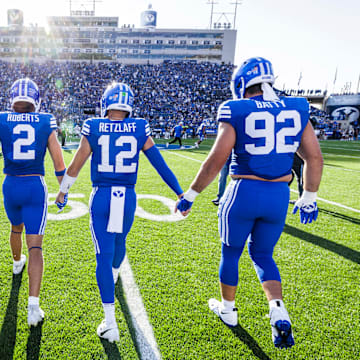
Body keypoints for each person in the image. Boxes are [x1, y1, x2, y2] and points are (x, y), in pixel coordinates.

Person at [176, 57, 323, 349]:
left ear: (242, 83)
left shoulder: (236, 108)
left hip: (243, 191)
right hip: (279, 195)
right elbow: (313, 157)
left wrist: (190, 194)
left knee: (231, 254)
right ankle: (278, 309)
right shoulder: (296, 107)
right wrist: (309, 197)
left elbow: (217, 159)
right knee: (264, 255)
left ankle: (228, 310)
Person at [55, 82, 183, 343]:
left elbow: (76, 164)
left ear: (107, 103)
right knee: (119, 242)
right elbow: (160, 164)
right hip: (127, 197)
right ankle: (113, 277)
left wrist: (63, 191)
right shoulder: (138, 128)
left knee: (103, 253)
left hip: (102, 195)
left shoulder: (94, 126)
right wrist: (180, 193)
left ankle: (110, 322)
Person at [0, 78, 66, 327]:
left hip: (10, 185)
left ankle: (17, 263)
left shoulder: (2, 119)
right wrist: (64, 190)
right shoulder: (45, 120)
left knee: (15, 228)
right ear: (35, 99)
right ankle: (33, 307)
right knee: (35, 247)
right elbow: (59, 164)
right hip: (34, 187)